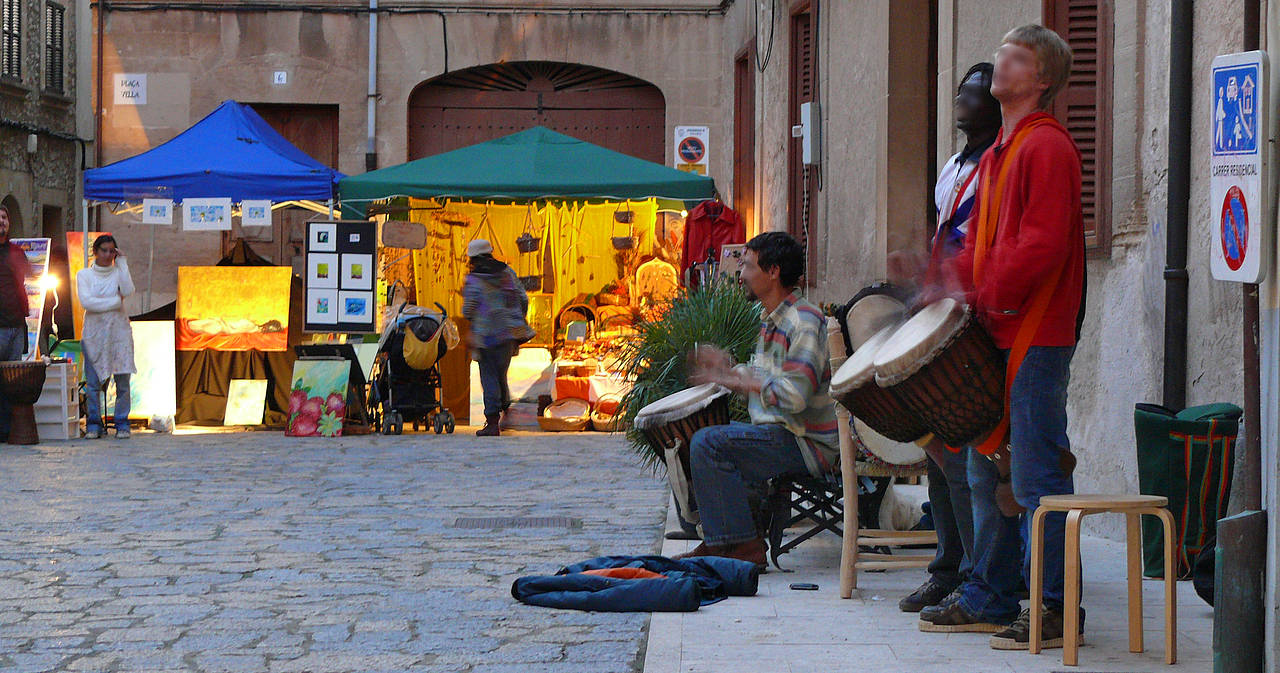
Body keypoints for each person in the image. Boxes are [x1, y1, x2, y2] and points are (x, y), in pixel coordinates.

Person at [909, 25, 1085, 650]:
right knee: (989, 471)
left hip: (1035, 333)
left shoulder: (1047, 147)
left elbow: (1041, 244)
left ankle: (1058, 609)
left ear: (1040, 80)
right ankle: (992, 593)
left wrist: (980, 293)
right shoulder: (999, 154)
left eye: (1016, 56)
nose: (1000, 62)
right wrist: (946, 285)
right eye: (1004, 52)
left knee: (1037, 476)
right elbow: (980, 240)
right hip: (998, 330)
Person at [896, 62, 1001, 614]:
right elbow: (947, 235)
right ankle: (946, 568)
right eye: (960, 88)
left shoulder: (999, 163)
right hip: (945, 312)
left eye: (975, 90)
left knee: (965, 456)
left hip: (976, 319)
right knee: (941, 448)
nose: (961, 97)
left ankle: (972, 576)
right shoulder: (954, 164)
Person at [676, 231, 839, 567]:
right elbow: (766, 378)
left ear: (773, 271)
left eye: (748, 266)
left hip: (805, 442)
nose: (742, 274)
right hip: (779, 434)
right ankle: (724, 539)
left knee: (709, 442)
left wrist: (734, 381)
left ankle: (740, 546)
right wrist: (728, 367)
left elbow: (793, 396)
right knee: (691, 436)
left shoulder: (803, 322)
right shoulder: (771, 322)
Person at [462, 239, 532, 437]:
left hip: (486, 335)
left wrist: (473, 315)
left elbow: (468, 309)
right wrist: (516, 317)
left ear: (473, 258)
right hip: (509, 332)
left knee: (489, 375)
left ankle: (492, 421)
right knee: (501, 372)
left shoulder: (474, 279)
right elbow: (523, 298)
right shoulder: (508, 273)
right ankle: (505, 408)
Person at [77, 234, 137, 439]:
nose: (108, 255)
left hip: (119, 332)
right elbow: (87, 302)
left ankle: (122, 422)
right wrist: (114, 302)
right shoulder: (84, 275)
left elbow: (128, 289)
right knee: (93, 383)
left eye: (112, 251)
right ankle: (94, 424)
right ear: (95, 251)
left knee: (122, 381)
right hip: (94, 334)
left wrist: (123, 263)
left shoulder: (119, 271)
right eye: (105, 250)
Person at [0, 204, 32, 442]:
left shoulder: (16, 252)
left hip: (16, 324)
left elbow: (27, 280)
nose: (1, 221)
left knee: (13, 381)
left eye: (4, 217)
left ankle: (7, 429)